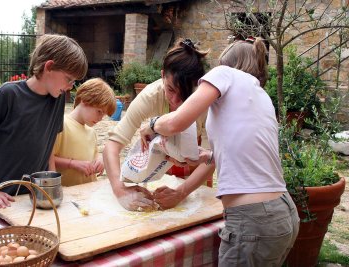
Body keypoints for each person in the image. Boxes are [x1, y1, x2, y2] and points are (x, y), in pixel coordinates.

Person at [140, 37, 300, 266]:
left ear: (227, 63)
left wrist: (152, 125)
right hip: (283, 213)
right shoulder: (261, 96)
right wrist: (208, 156)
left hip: (252, 219)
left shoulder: (224, 73)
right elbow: (250, 154)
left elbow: (177, 123)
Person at [0, 34, 88, 209]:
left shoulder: (57, 100)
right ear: (49, 67)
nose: (71, 86)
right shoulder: (8, 94)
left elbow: (48, 143)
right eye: (68, 79)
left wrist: (51, 183)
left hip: (31, 199)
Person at [103, 38, 214, 212]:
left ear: (197, 86)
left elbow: (211, 160)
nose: (176, 101)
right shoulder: (150, 97)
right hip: (164, 171)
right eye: (170, 89)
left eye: (185, 93)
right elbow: (112, 146)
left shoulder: (206, 102)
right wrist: (119, 189)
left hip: (196, 174)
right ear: (162, 75)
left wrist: (181, 192)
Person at [53, 78, 116, 186]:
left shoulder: (92, 132)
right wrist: (72, 164)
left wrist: (100, 161)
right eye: (99, 112)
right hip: (67, 193)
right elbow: (47, 159)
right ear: (84, 100)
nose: (101, 118)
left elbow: (94, 156)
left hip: (87, 192)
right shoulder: (61, 125)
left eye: (104, 115)